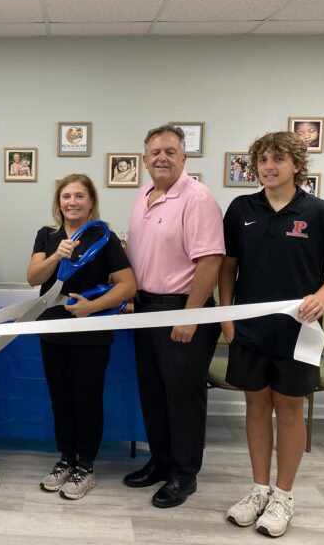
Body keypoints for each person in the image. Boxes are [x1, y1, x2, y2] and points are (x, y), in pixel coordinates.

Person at [220, 132, 324, 538]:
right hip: (249, 329)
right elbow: (228, 266)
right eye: (262, 160)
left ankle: (283, 496)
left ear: (296, 165)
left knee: (290, 409)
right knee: (256, 406)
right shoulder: (241, 209)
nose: (268, 166)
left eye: (278, 159)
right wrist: (226, 316)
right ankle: (259, 490)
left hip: (299, 332)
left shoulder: (319, 212)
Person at [123, 124, 225, 509]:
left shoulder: (197, 198)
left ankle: (184, 474)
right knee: (153, 392)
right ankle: (161, 460)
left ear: (183, 158)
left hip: (182, 309)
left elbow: (210, 260)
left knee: (182, 397)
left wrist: (190, 315)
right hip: (145, 309)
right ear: (144, 159)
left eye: (170, 151)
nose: (162, 158)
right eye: (155, 152)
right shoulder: (143, 195)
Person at [26, 174, 136, 500]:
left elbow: (128, 286)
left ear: (90, 202)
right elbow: (33, 277)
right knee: (60, 399)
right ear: (58, 202)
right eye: (66, 196)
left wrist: (92, 308)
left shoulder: (104, 237)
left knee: (87, 399)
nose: (72, 202)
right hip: (52, 328)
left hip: (90, 332)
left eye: (79, 196)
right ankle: (66, 460)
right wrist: (56, 256)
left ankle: (85, 467)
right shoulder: (47, 236)